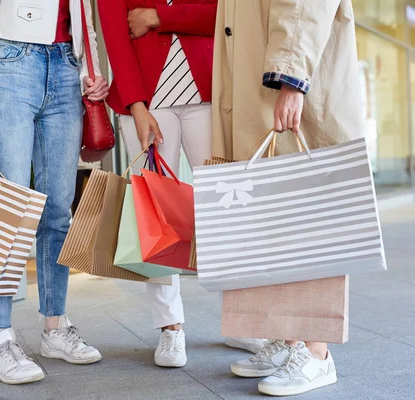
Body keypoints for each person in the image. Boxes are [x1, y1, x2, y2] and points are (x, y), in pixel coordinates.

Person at [98, 0, 265, 368]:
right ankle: (169, 326)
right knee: (156, 216)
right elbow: (115, 32)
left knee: (224, 206)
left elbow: (224, 13)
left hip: (208, 91)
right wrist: (136, 106)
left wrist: (158, 17)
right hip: (145, 98)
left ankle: (240, 318)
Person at [211, 0, 364, 396]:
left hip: (292, 83)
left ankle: (317, 353)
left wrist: (292, 79)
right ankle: (289, 340)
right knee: (275, 225)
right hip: (262, 85)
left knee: (308, 222)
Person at [0, 0, 109, 384]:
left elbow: (81, 18)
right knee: (8, 209)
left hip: (66, 68)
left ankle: (54, 325)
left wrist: (92, 73)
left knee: (58, 210)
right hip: (9, 62)